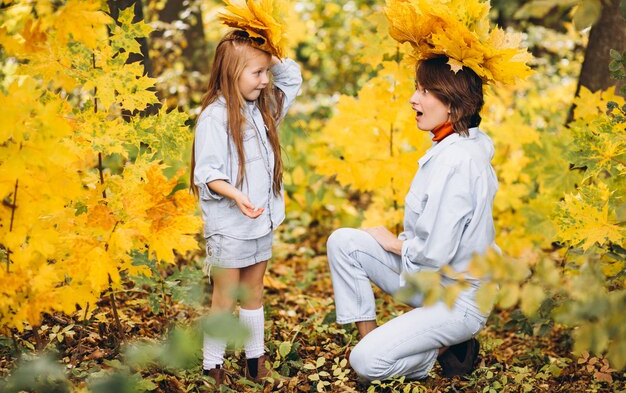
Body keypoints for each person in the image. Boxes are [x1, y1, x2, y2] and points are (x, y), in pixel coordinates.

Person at [326, 56, 497, 381]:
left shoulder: (457, 163)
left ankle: (446, 350)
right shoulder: (457, 143)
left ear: (454, 105)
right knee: (344, 243)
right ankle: (372, 340)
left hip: (458, 298)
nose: (413, 99)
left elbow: (434, 253)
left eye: (426, 91)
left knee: (365, 363)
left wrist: (392, 243)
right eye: (417, 88)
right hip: (431, 280)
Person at [191, 30, 302, 386]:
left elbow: (292, 77)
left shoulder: (263, 108)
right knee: (225, 297)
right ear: (231, 71)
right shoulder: (214, 117)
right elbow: (207, 173)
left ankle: (256, 361)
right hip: (230, 226)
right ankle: (212, 368)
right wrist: (236, 195)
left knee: (253, 292)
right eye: (256, 73)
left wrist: (267, 52)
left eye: (266, 72)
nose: (266, 80)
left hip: (259, 223)